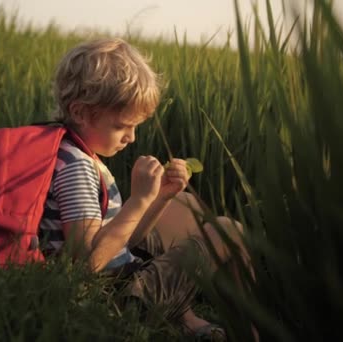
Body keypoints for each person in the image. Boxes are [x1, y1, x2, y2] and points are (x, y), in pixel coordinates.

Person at [38, 37, 256, 341]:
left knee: (183, 203)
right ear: (82, 113)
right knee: (228, 231)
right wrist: (139, 200)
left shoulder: (69, 148)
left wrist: (161, 196)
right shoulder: (77, 168)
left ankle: (183, 312)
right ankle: (247, 330)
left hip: (120, 271)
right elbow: (85, 264)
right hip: (120, 299)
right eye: (123, 126)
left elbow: (124, 241)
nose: (132, 137)